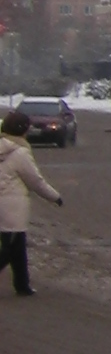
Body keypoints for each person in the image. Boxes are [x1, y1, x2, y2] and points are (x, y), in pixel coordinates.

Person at [0, 108, 64, 297]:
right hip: (11, 207)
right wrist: (55, 196)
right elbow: (35, 181)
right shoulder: (20, 152)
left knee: (17, 247)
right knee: (8, 249)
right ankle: (22, 285)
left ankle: (22, 284)